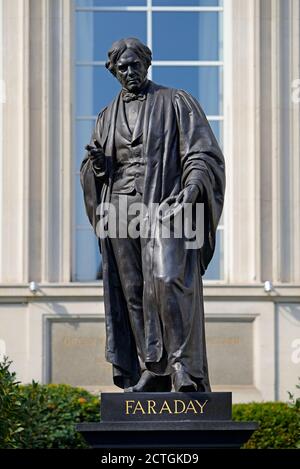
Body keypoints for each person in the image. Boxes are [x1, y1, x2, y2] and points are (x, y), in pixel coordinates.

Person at [80, 37, 225, 392]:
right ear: (113, 71)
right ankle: (152, 368)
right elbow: (92, 165)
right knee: (132, 290)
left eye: (136, 64)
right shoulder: (105, 117)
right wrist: (98, 168)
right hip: (119, 209)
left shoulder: (177, 102)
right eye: (122, 67)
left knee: (167, 279)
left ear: (147, 64)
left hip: (165, 206)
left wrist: (192, 190)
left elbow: (202, 155)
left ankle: (182, 368)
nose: (130, 72)